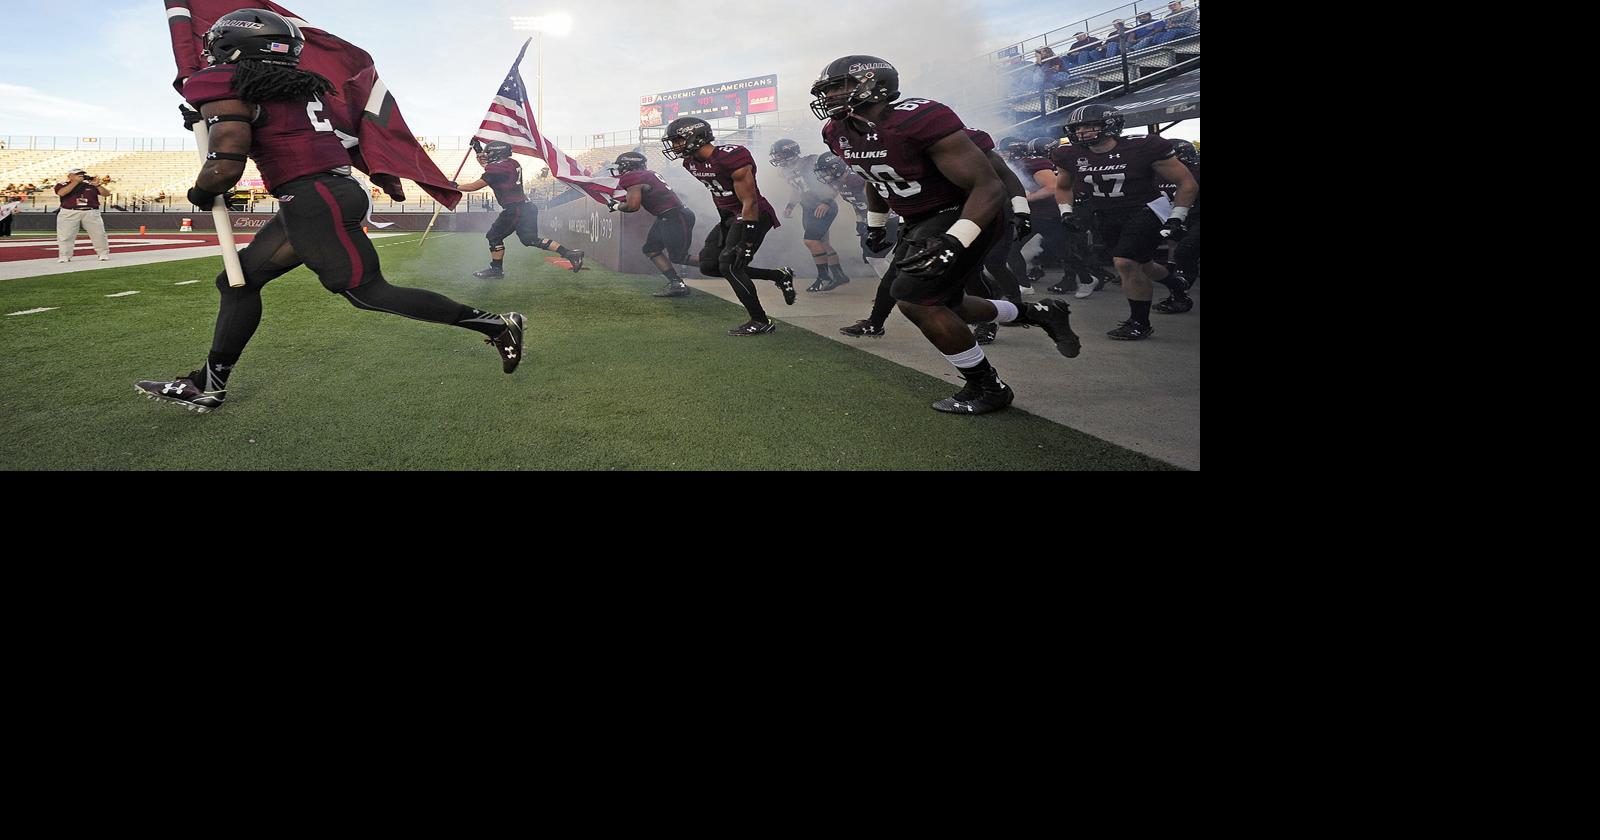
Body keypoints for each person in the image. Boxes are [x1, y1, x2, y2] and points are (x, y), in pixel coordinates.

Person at [136, 8, 529, 414]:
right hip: (319, 193)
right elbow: (282, 124)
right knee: (238, 281)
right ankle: (208, 383)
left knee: (367, 292)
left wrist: (201, 190)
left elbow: (224, 167)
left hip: (314, 197)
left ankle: (497, 324)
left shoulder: (234, 84)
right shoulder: (300, 87)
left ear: (233, 47)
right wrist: (210, 116)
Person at [812, 55, 1080, 415]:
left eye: (839, 86)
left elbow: (987, 186)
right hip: (919, 220)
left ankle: (986, 384)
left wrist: (955, 240)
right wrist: (876, 224)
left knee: (912, 296)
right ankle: (1039, 313)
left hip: (966, 210)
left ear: (875, 85)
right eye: (828, 89)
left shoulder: (920, 118)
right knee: (947, 304)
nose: (830, 95)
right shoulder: (836, 131)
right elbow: (874, 177)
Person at [1053, 104, 1198, 341]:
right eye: (1078, 127)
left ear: (1110, 125)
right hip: (1106, 213)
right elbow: (1063, 186)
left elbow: (1186, 183)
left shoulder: (1143, 147)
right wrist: (1066, 212)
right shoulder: (1069, 154)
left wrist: (1177, 217)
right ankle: (1178, 287)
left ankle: (1139, 323)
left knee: (1125, 262)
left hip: (1145, 209)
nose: (1082, 132)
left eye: (1089, 126)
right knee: (1144, 265)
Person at [662, 116, 796, 336]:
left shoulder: (732, 156)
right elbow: (721, 194)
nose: (675, 146)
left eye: (678, 140)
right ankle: (778, 276)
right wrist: (726, 222)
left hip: (753, 214)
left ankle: (760, 320)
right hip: (730, 216)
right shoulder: (690, 163)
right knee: (709, 265)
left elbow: (749, 201)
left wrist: (748, 238)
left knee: (730, 265)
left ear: (697, 136)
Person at [454, 140, 584, 279]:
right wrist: (478, 151)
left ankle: (496, 269)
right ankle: (570, 253)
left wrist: (455, 186)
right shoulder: (512, 163)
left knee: (493, 236)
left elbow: (474, 186)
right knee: (530, 239)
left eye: (489, 153)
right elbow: (490, 168)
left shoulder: (497, 169)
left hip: (515, 208)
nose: (487, 156)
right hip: (526, 207)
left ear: (497, 153)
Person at [606, 150, 698, 298]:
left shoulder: (632, 177)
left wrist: (616, 206)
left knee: (679, 257)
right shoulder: (647, 174)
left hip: (674, 216)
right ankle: (677, 284)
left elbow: (633, 206)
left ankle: (723, 267)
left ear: (628, 165)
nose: (619, 169)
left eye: (621, 166)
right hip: (669, 216)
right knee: (651, 249)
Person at [770, 138, 849, 293]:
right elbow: (797, 189)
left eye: (779, 154)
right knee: (822, 243)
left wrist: (826, 201)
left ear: (788, 152)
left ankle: (824, 278)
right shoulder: (784, 171)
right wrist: (790, 206)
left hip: (823, 206)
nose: (776, 158)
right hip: (808, 207)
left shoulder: (811, 162)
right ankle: (839, 275)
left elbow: (836, 178)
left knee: (811, 241)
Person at [53, 168, 112, 262]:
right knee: (65, 235)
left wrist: (98, 185)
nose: (81, 176)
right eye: (78, 174)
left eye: (82, 174)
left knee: (99, 234)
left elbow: (107, 194)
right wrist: (75, 182)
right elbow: (61, 193)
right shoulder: (62, 185)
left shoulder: (90, 185)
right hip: (69, 212)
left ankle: (103, 254)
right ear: (70, 176)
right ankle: (64, 256)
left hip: (90, 211)